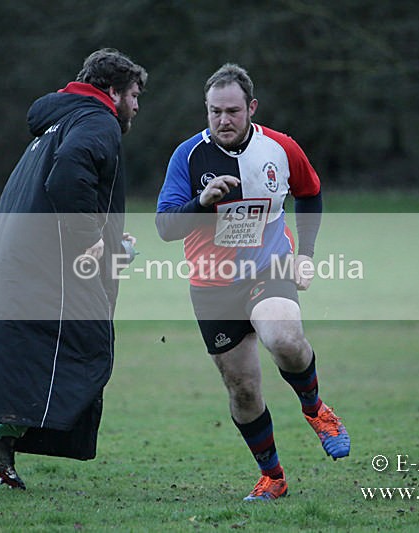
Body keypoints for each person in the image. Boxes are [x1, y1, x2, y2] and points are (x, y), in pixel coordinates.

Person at [156, 63, 349, 501]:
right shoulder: (188, 156)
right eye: (215, 111)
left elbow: (310, 191)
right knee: (243, 389)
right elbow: (165, 227)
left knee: (284, 339)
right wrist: (201, 202)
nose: (223, 120)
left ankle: (316, 410)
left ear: (251, 108)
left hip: (268, 269)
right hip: (213, 287)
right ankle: (273, 477)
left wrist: (305, 254)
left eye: (232, 111)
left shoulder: (280, 148)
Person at [0, 49, 147, 489]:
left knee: (20, 360)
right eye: (134, 95)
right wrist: (88, 235)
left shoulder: (56, 124)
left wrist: (112, 244)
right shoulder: (97, 120)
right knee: (88, 353)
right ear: (112, 91)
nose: (136, 106)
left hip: (21, 263)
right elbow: (67, 178)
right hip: (49, 268)